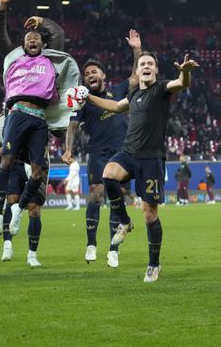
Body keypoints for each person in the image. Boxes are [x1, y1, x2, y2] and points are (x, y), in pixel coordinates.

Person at [73, 51, 199, 282]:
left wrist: (185, 73)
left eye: (151, 63)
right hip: (129, 152)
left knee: (150, 215)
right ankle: (124, 220)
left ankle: (154, 264)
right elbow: (115, 106)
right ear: (138, 70)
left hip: (151, 159)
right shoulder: (132, 93)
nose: (147, 66)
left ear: (156, 70)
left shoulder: (161, 88)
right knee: (108, 175)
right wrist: (88, 98)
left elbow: (180, 83)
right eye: (143, 64)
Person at [0, 0, 79, 244]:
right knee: (6, 163)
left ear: (43, 43)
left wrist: (41, 21)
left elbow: (58, 33)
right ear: (22, 44)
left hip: (39, 118)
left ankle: (17, 212)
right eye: (28, 38)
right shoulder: (14, 57)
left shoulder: (52, 59)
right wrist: (2, 7)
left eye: (37, 38)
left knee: (38, 172)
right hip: (17, 114)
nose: (32, 39)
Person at [61, 30, 141, 267]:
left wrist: (136, 49)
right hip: (98, 153)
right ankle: (91, 244)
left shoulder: (116, 91)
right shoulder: (82, 101)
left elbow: (136, 77)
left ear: (103, 75)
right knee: (96, 195)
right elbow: (72, 126)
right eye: (86, 74)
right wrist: (68, 150)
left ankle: (113, 248)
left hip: (122, 153)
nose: (89, 76)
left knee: (117, 198)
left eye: (93, 72)